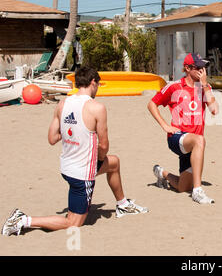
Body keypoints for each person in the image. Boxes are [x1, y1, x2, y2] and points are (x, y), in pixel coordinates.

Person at [2, 66, 148, 236]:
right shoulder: (97, 108)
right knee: (74, 223)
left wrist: (73, 131)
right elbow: (103, 146)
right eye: (98, 85)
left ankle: (122, 205)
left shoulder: (63, 104)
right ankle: (23, 220)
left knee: (113, 163)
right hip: (81, 173)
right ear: (93, 82)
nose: (97, 89)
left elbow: (52, 138)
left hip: (66, 167)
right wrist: (96, 160)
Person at [148, 53, 218, 204]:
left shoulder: (205, 87)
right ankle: (198, 191)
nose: (202, 71)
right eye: (198, 67)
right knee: (200, 140)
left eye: (203, 67)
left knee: (182, 187)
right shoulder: (174, 86)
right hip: (177, 137)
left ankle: (162, 173)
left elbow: (214, 110)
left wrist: (205, 85)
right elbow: (152, 104)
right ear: (187, 68)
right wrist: (165, 125)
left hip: (193, 145)